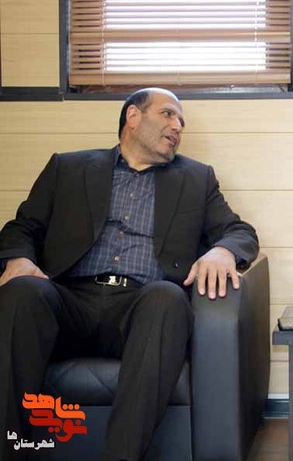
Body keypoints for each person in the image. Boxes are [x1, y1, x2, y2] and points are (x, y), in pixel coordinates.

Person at [0, 88, 259, 461]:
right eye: (168, 114)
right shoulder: (67, 168)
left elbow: (239, 231)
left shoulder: (196, 178)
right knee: (22, 292)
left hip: (140, 307)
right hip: (69, 301)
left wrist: (223, 251)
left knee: (167, 298)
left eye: (182, 121)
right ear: (133, 117)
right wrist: (18, 259)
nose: (178, 126)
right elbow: (21, 228)